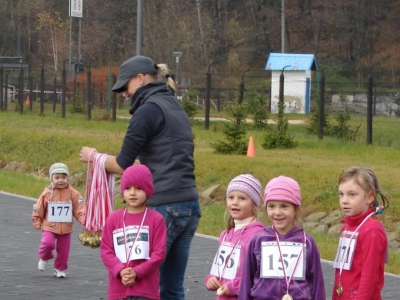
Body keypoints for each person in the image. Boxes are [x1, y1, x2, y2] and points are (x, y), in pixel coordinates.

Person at [79, 55, 200, 300]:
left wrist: (93, 157)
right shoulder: (174, 106)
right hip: (189, 203)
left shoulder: (147, 110)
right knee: (172, 288)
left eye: (126, 86)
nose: (124, 94)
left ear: (141, 78)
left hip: (164, 206)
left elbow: (122, 164)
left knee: (140, 286)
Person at [239, 175, 326, 300]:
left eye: (284, 206)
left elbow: (317, 283)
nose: (277, 212)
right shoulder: (258, 240)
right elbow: (246, 280)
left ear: (295, 209)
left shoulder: (307, 242)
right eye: (272, 206)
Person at [100, 164, 167, 300]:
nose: (132, 193)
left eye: (138, 188)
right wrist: (119, 270)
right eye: (128, 188)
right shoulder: (114, 219)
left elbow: (159, 253)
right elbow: (106, 250)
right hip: (118, 288)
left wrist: (137, 272)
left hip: (146, 290)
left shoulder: (156, 219)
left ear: (147, 190)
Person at [204, 174, 265, 299]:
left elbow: (260, 276)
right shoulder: (225, 234)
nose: (235, 202)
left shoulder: (259, 236)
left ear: (254, 205)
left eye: (242, 198)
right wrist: (210, 279)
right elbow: (219, 267)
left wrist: (235, 286)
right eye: (231, 197)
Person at [332, 167, 389, 300]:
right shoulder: (346, 227)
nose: (344, 200)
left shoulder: (372, 231)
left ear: (370, 197)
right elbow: (340, 271)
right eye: (341, 194)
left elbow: (370, 277)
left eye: (352, 194)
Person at [31, 163, 86, 278]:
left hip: (66, 228)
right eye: (57, 177)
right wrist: (37, 219)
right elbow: (39, 207)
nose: (60, 180)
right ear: (51, 178)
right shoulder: (47, 193)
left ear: (67, 178)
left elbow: (80, 207)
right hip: (49, 226)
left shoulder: (73, 193)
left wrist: (83, 219)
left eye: (63, 177)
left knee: (64, 251)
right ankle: (44, 256)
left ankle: (59, 268)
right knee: (47, 244)